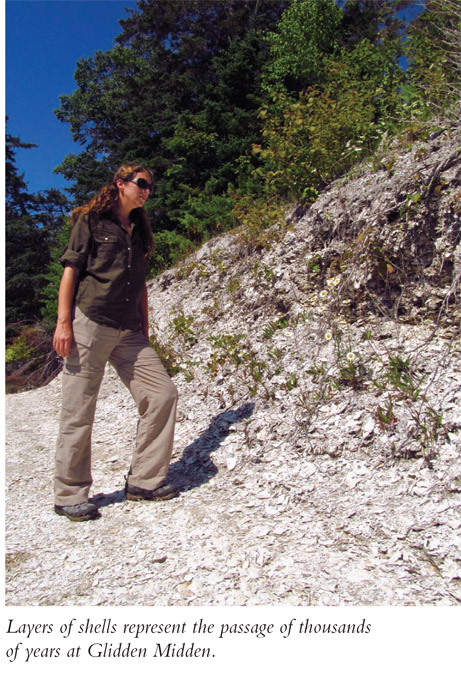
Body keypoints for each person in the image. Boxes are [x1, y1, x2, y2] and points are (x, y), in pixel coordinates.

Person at [53, 164, 179, 521]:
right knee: (79, 410)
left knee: (162, 394)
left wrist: (144, 324)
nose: (146, 191)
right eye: (141, 184)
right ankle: (69, 494)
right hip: (89, 324)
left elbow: (139, 283)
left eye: (150, 187)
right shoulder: (91, 221)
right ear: (120, 184)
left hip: (128, 331)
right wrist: (64, 324)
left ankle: (145, 480)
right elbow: (71, 271)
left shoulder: (138, 231)